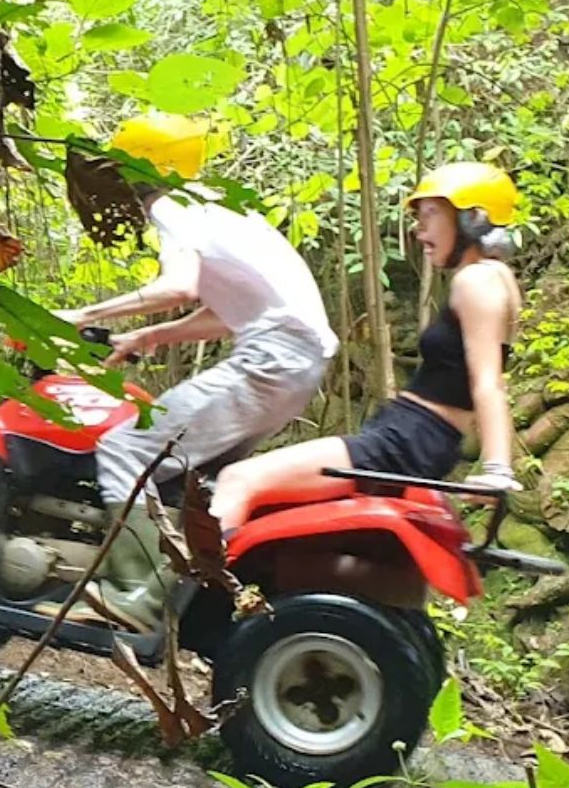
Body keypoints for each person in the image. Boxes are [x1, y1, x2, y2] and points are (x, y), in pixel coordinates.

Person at [44, 113, 338, 634]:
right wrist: (148, 336)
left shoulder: (174, 207)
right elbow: (229, 311)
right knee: (189, 478)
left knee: (123, 449)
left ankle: (134, 596)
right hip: (297, 363)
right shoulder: (220, 209)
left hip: (272, 358)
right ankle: (177, 591)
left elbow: (179, 286)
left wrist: (84, 316)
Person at [210, 161, 524, 535]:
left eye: (430, 213)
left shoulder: (478, 281)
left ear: (473, 218)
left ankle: (182, 587)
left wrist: (497, 470)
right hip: (409, 436)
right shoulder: (497, 278)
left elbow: (488, 381)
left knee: (237, 480)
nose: (418, 227)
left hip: (407, 441)